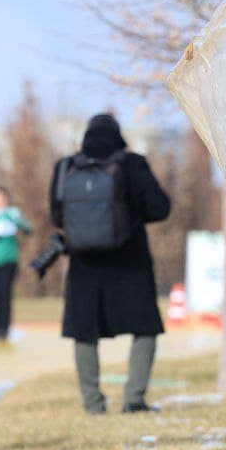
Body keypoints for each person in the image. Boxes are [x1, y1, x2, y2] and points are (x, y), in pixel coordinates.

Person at [51, 113, 171, 414]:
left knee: (84, 332)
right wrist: (130, 216)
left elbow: (57, 217)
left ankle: (93, 403)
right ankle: (134, 399)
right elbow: (160, 207)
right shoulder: (133, 164)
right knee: (145, 328)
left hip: (83, 265)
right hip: (130, 262)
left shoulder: (65, 167)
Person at [0, 185, 32, 342]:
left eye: (2, 197)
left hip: (9, 261)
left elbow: (28, 229)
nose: (0, 200)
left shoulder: (13, 214)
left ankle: (5, 328)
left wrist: (20, 224)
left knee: (5, 294)